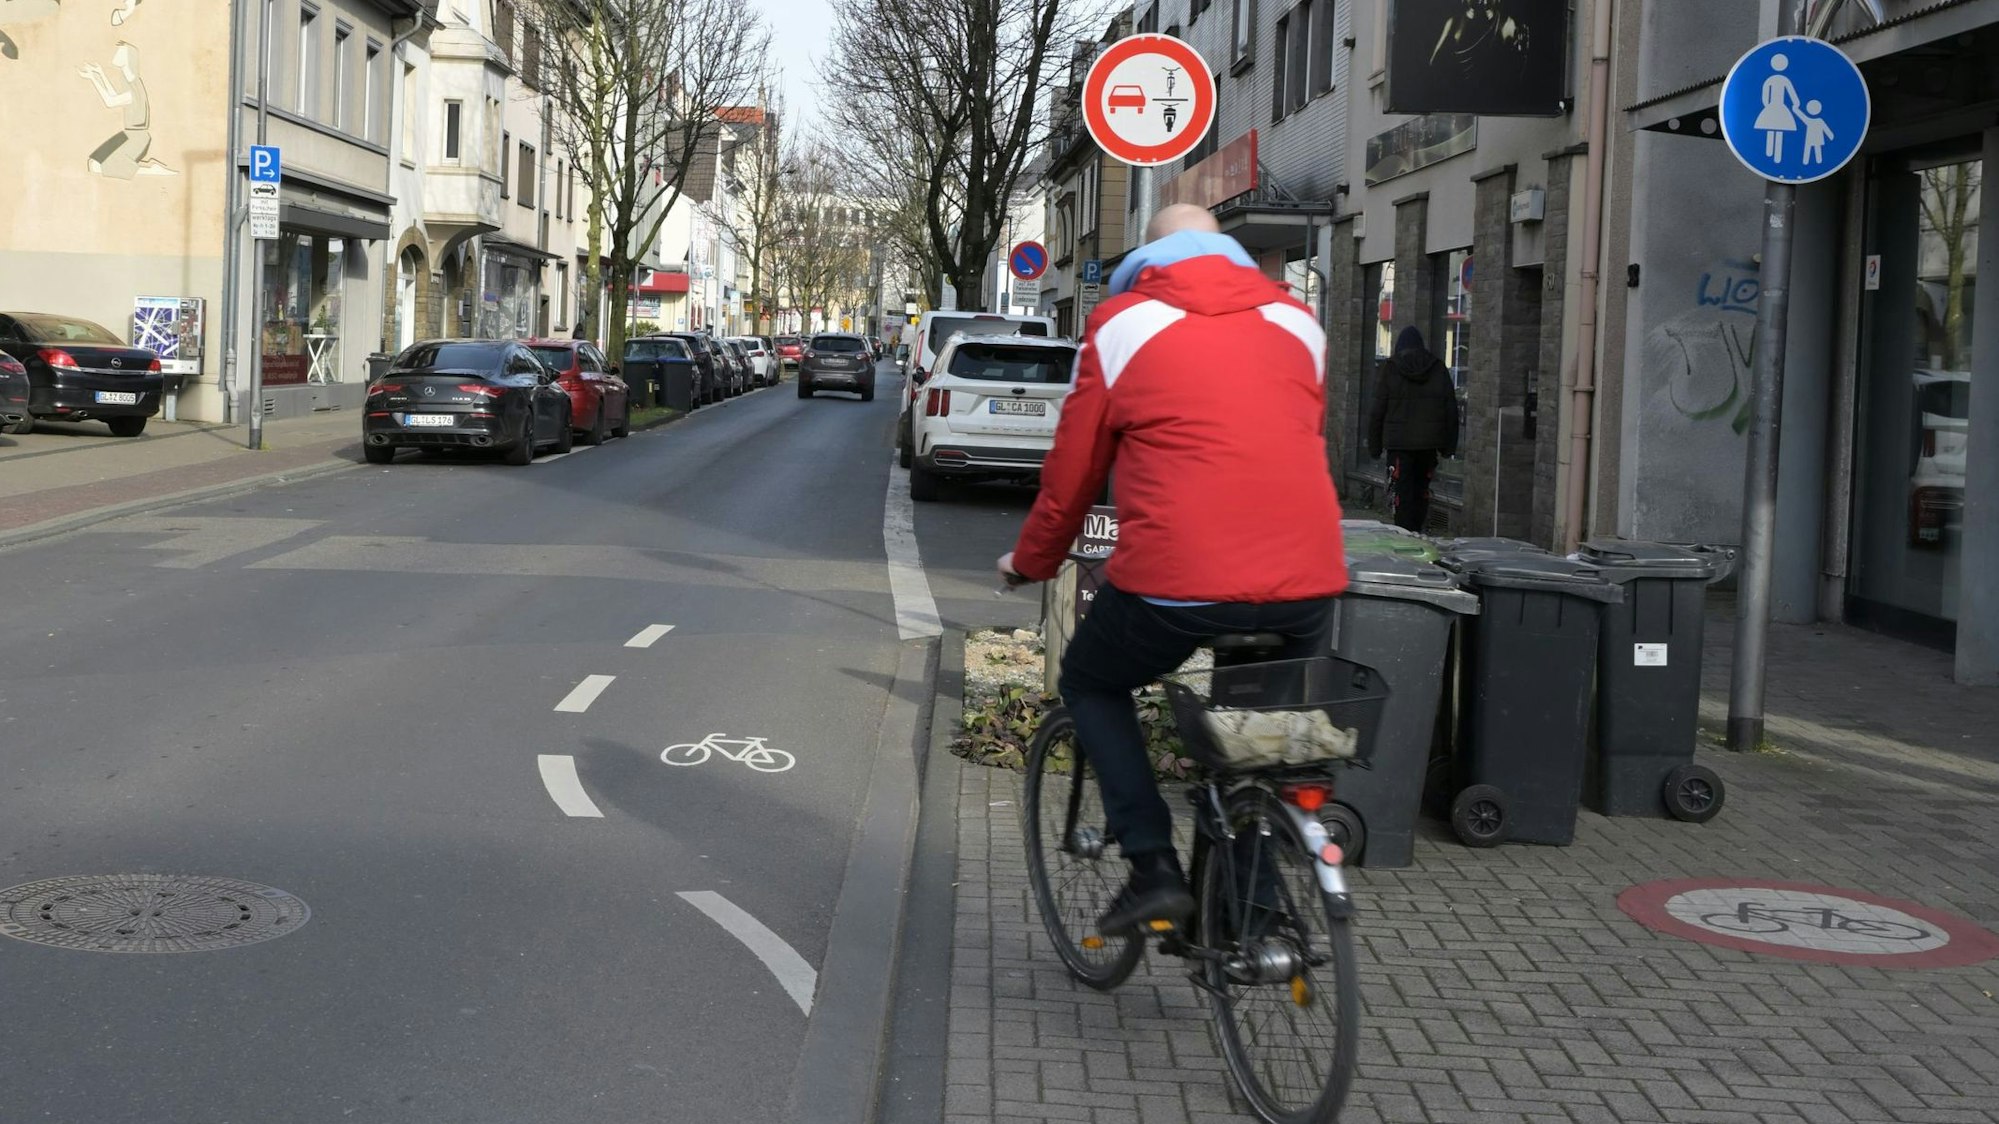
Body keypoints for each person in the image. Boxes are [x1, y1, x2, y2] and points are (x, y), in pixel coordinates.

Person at [996, 203, 1347, 936]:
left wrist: (1033, 561)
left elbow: (1074, 470)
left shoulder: (1122, 324)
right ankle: (1249, 917)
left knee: (1091, 682)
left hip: (1178, 578)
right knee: (1253, 741)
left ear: (1147, 257)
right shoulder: (1299, 323)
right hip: (1305, 581)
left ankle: (1153, 866)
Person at [1367, 326, 1459, 533]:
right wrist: (1449, 447)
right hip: (1428, 445)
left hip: (1399, 445)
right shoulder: (1437, 368)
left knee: (1401, 493)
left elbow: (1377, 411)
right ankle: (1417, 531)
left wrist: (1374, 446)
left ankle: (1403, 532)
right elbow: (1451, 410)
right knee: (1421, 491)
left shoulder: (1390, 369)